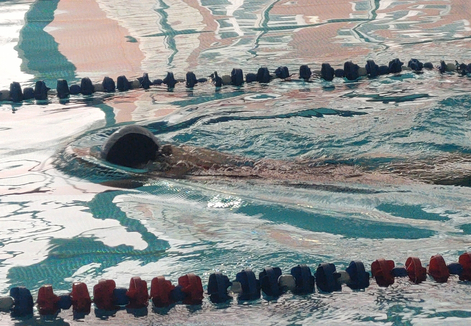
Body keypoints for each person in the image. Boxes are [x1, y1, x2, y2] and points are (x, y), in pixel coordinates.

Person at [100, 125, 471, 187]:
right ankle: (450, 167)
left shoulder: (174, 169)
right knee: (375, 171)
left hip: (273, 175)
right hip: (274, 166)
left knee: (382, 178)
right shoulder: (180, 153)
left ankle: (456, 174)